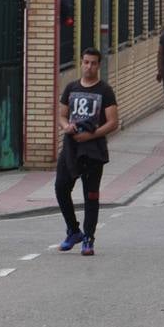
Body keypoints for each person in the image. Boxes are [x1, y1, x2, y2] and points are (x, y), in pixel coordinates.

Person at [54, 47, 118, 257]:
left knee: (91, 195)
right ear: (81, 63)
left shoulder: (105, 91)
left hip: (93, 148)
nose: (89, 67)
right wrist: (66, 127)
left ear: (98, 66)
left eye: (93, 63)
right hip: (71, 147)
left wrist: (92, 135)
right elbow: (62, 115)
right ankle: (73, 230)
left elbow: (113, 122)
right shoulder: (71, 87)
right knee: (61, 187)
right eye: (86, 62)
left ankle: (88, 238)